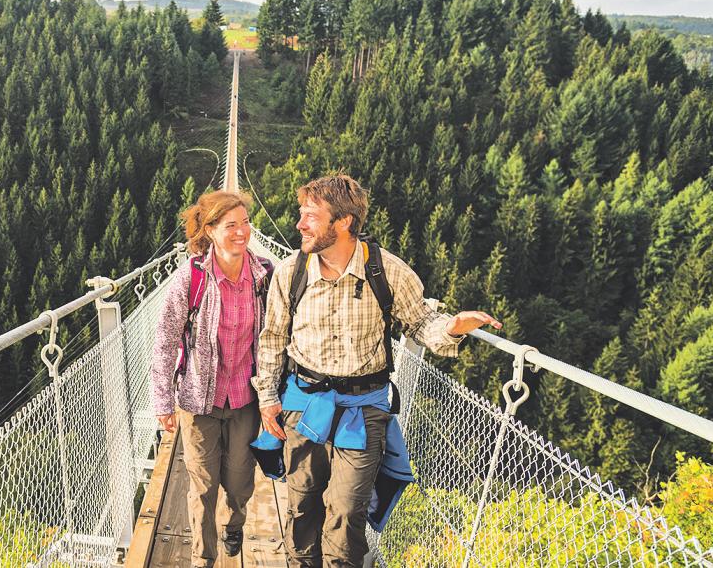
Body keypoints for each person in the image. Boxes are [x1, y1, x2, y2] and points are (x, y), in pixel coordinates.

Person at [252, 175, 500, 567]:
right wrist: (268, 399)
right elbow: (271, 339)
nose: (299, 224)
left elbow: (420, 322)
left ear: (345, 222)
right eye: (301, 214)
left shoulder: (386, 271)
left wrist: (452, 327)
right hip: (301, 406)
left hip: (363, 412)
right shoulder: (290, 272)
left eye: (311, 217)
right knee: (301, 506)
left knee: (347, 512)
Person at [150, 190, 274, 567]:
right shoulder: (192, 278)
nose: (242, 232)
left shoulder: (265, 274)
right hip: (198, 401)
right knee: (202, 486)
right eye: (231, 225)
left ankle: (234, 522)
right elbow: (165, 341)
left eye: (246, 223)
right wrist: (162, 402)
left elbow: (278, 333)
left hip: (245, 400)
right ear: (211, 230)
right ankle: (203, 558)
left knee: (239, 480)